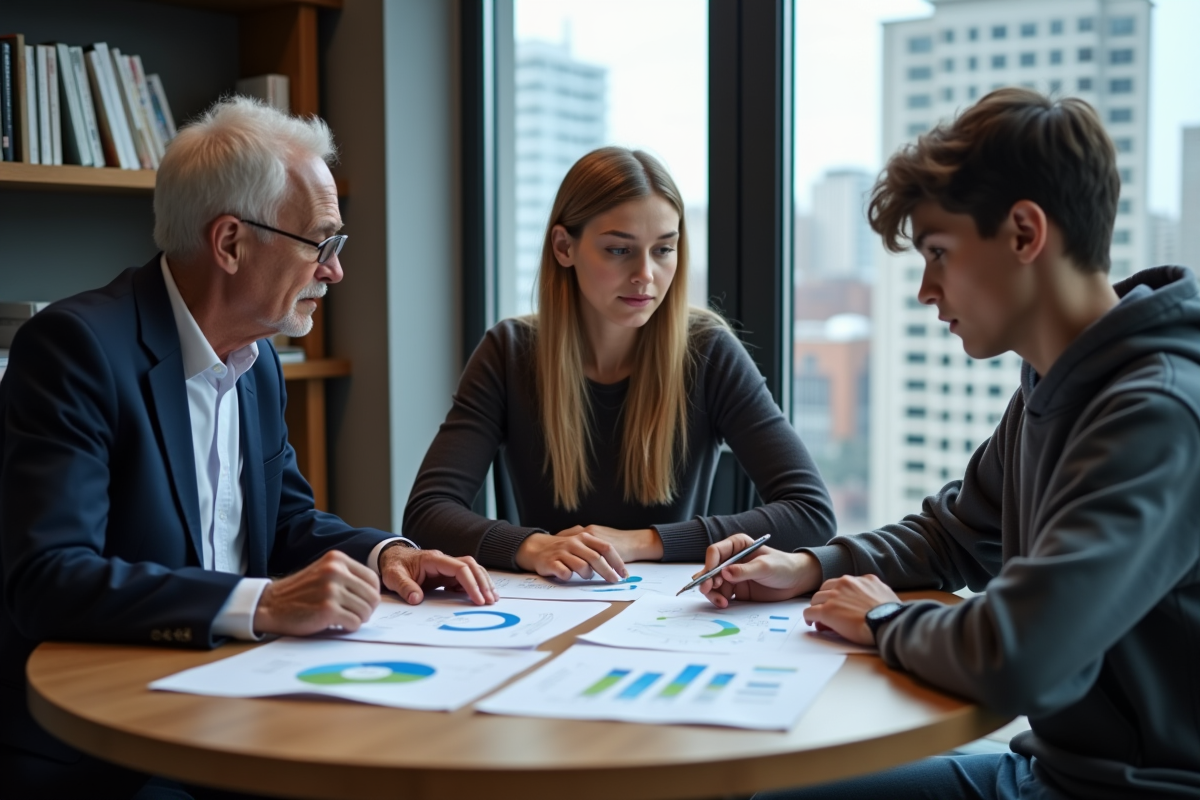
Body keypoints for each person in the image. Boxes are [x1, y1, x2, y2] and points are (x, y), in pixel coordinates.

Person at [696, 87, 1200, 800]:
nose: (927, 290)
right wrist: (810, 565)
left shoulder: (1157, 413)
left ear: (1025, 234)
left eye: (939, 253)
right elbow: (954, 534)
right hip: (1048, 772)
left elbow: (1021, 654)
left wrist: (882, 618)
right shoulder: (1056, 383)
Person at [0, 97, 496, 799]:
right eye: (320, 243)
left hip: (232, 702)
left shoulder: (258, 360)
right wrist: (260, 603)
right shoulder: (77, 350)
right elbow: (50, 579)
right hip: (106, 744)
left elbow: (287, 525)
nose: (334, 272)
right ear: (230, 243)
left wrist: (390, 556)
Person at [404, 146, 836, 582]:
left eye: (663, 250)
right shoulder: (509, 351)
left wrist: (641, 541)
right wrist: (534, 547)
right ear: (563, 247)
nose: (645, 274)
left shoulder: (709, 351)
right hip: (544, 607)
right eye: (618, 250)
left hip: (666, 615)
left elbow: (811, 513)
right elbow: (426, 513)